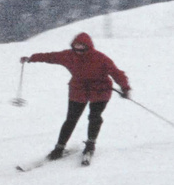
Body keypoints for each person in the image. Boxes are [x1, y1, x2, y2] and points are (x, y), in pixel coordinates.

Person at [20, 32, 131, 160]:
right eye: (76, 46)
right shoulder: (68, 55)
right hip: (78, 90)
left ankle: (90, 145)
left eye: (81, 46)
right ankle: (59, 148)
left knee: (94, 117)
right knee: (71, 119)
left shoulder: (100, 58)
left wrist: (125, 88)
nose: (78, 49)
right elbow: (50, 57)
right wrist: (31, 58)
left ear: (88, 46)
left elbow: (117, 73)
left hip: (100, 90)